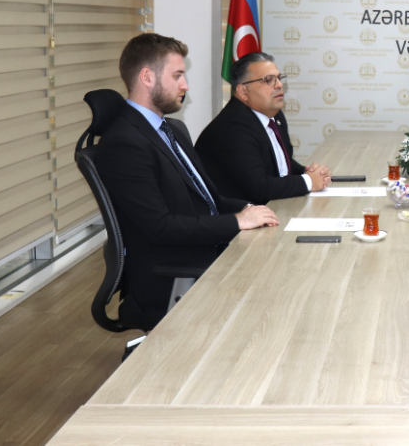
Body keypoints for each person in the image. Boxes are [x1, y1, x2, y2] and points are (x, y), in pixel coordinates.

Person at [97, 34, 279, 331]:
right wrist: (237, 221)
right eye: (177, 75)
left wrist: (251, 209)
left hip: (200, 247)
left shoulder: (172, 130)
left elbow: (209, 199)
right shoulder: (124, 143)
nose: (186, 85)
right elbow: (160, 227)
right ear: (147, 77)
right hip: (172, 271)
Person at [196, 52, 331, 204]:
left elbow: (277, 164)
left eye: (279, 78)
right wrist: (309, 181)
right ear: (243, 91)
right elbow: (259, 188)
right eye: (268, 80)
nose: (279, 85)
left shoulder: (274, 115)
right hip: (238, 215)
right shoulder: (232, 128)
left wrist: (306, 172)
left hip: (270, 207)